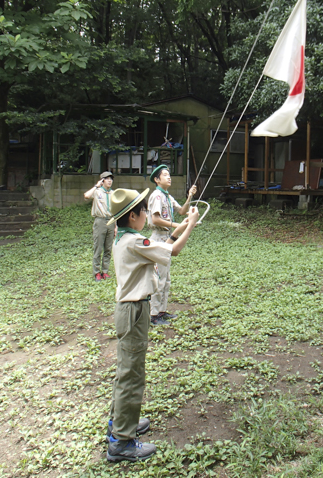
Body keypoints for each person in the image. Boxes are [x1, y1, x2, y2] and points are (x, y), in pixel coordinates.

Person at [105, 187, 199, 462]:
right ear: (133, 216)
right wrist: (191, 224)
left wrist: (180, 225)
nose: (147, 214)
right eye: (144, 211)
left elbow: (164, 244)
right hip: (134, 311)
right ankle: (122, 442)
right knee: (132, 375)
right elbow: (174, 250)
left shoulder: (125, 237)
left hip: (130, 309)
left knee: (127, 371)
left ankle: (120, 423)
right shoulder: (135, 241)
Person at [147, 165, 197, 326]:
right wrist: (177, 226)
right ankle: (153, 315)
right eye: (165, 175)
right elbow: (155, 220)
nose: (169, 177)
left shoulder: (167, 196)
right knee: (158, 278)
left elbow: (182, 211)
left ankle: (162, 311)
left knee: (166, 278)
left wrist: (189, 197)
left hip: (167, 237)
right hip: (158, 238)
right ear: (157, 179)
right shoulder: (156, 196)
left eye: (169, 175)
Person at [84, 171, 115, 281]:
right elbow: (86, 196)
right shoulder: (97, 192)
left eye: (111, 178)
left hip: (111, 221)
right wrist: (96, 186)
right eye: (107, 179)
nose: (109, 180)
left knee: (108, 248)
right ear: (102, 181)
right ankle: (97, 272)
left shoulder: (113, 193)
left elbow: (116, 210)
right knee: (98, 247)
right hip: (100, 221)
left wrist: (115, 226)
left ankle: (105, 271)